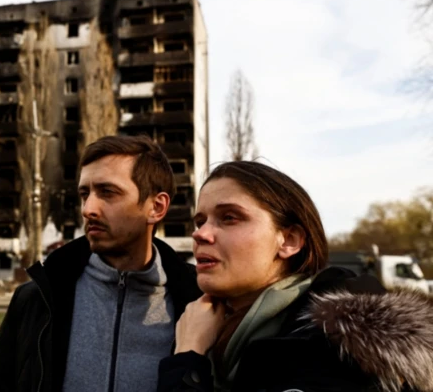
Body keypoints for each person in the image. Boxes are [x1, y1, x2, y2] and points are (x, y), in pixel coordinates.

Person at [158, 161, 433, 392]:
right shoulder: (196, 323)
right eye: (200, 221)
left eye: (229, 217)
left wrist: (188, 358)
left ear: (288, 240)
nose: (200, 234)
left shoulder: (334, 349)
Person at [0, 135, 201, 392]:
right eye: (85, 194)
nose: (88, 208)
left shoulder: (196, 303)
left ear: (156, 207)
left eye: (108, 192)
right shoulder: (38, 299)